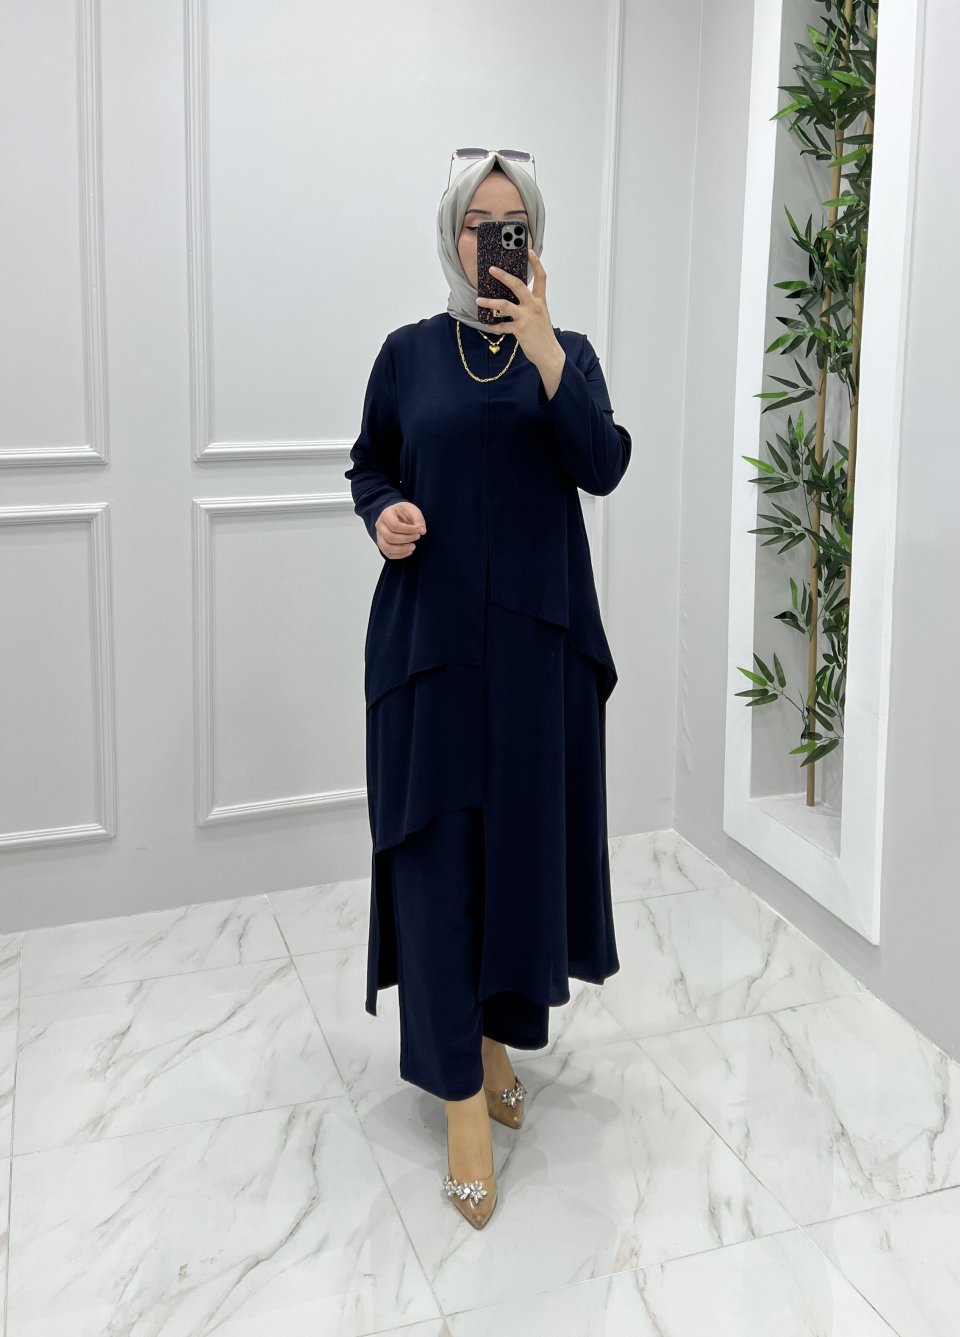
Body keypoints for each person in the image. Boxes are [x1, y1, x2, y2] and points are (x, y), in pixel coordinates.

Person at [344, 148, 632, 1229]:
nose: (494, 239)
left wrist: (547, 347)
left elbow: (600, 464)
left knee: (516, 858)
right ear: (451, 235)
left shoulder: (570, 355)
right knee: (435, 862)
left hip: (533, 655)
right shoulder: (407, 354)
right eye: (478, 221)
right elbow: (370, 462)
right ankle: (460, 1096)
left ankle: (496, 1036)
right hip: (428, 647)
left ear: (534, 240)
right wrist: (382, 512)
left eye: (514, 223)